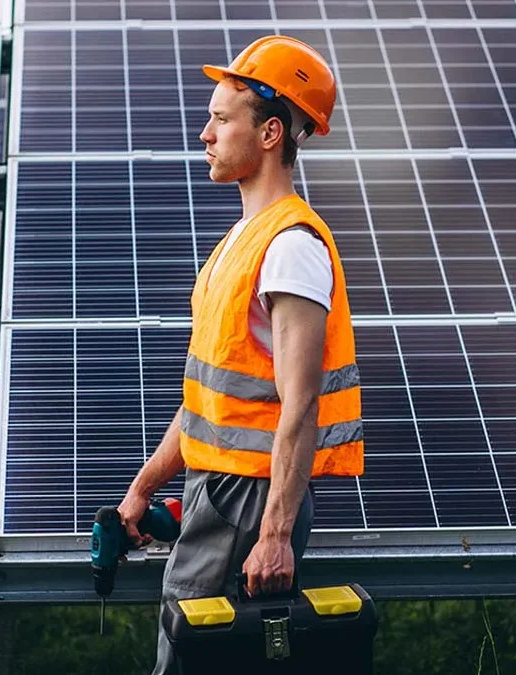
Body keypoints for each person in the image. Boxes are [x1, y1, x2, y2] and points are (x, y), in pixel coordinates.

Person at [114, 35, 365, 674]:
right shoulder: (242, 240)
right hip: (218, 485)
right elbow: (210, 396)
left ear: (272, 133)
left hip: (249, 496)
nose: (206, 134)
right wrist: (145, 488)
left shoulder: (291, 247)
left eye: (222, 120)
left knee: (196, 654)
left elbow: (300, 402)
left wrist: (275, 532)